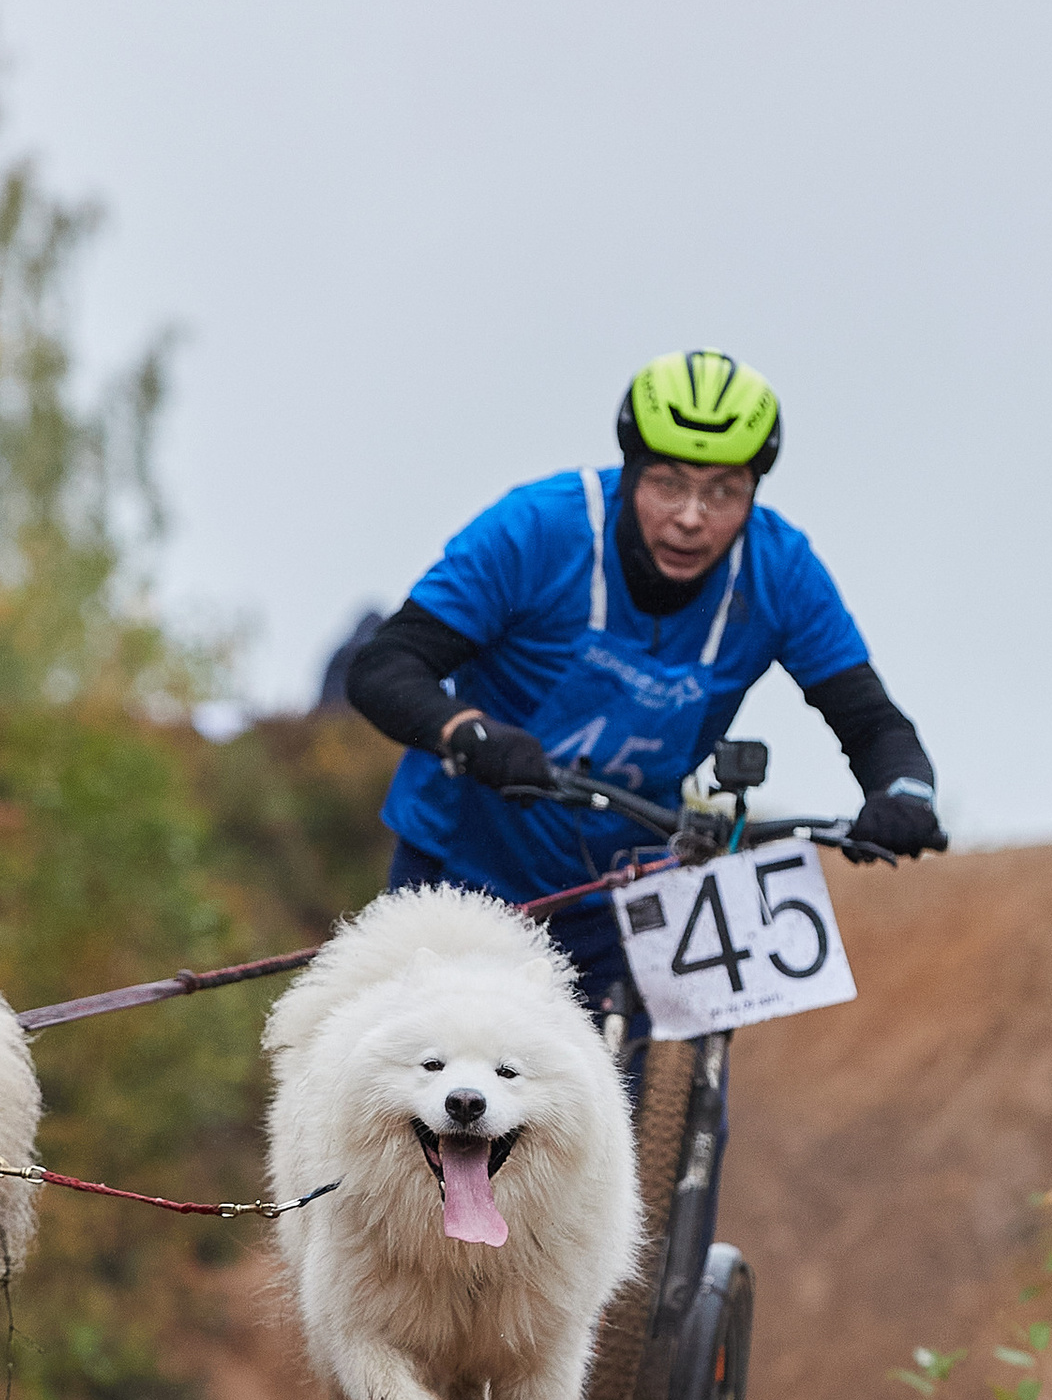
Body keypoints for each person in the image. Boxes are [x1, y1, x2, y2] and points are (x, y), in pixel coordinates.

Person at [343, 349, 942, 1035]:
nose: (692, 517)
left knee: (676, 1062)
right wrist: (469, 733)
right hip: (464, 863)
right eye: (668, 484)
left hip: (630, 875)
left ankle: (680, 1133)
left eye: (724, 492)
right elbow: (386, 667)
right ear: (629, 472)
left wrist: (904, 794)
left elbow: (871, 724)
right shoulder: (537, 528)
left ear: (755, 491)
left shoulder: (782, 570)